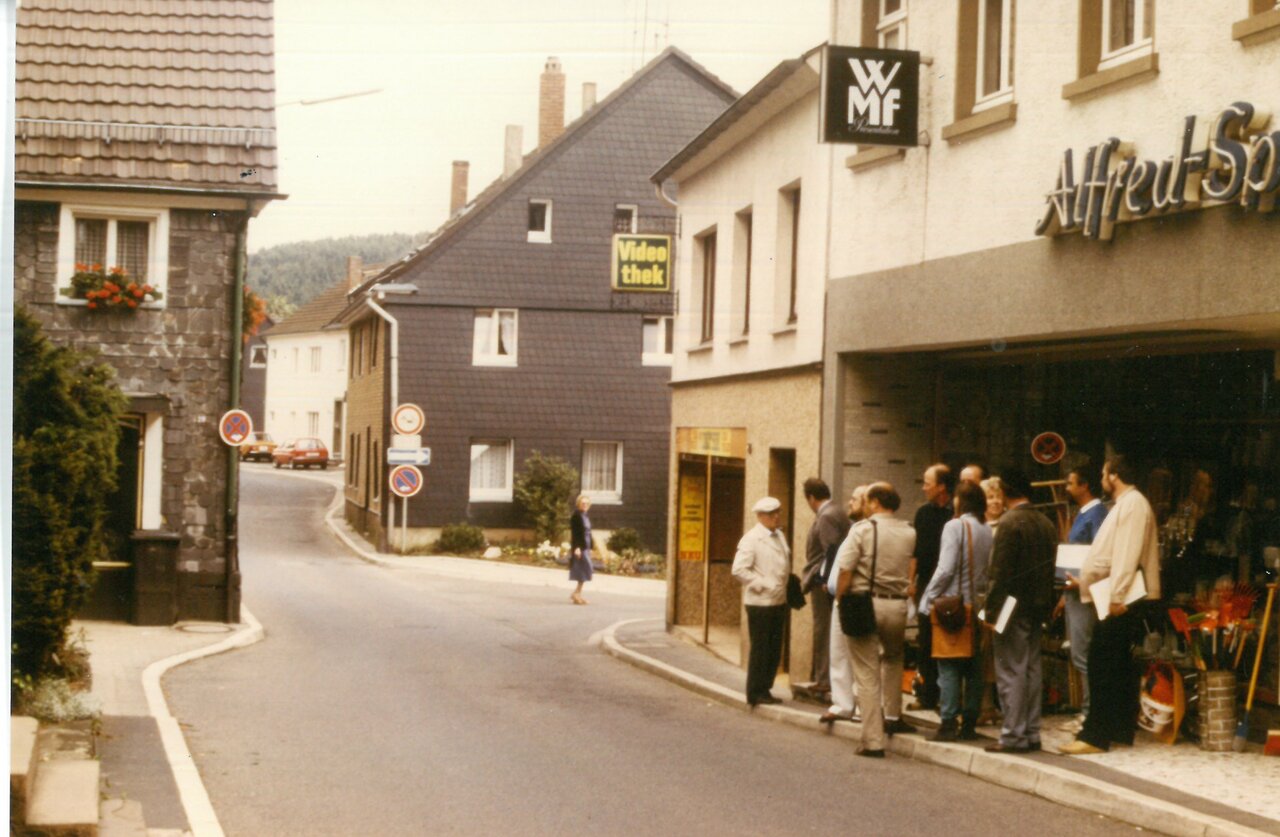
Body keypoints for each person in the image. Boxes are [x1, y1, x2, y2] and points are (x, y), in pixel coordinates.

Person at [1061, 456, 1162, 755]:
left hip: (1121, 599)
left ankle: (1095, 736)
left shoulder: (1132, 504)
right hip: (1115, 595)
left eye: (1105, 473)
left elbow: (1127, 553)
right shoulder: (1127, 504)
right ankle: (1117, 729)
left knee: (1101, 662)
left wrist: (1117, 597)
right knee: (1114, 664)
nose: (1102, 478)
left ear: (1114, 476)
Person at [835, 482, 916, 758]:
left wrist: (840, 598)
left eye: (868, 501)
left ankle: (873, 740)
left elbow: (845, 569)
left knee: (867, 672)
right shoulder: (908, 532)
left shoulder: (863, 530)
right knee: (894, 659)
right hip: (897, 606)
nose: (866, 506)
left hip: (865, 603)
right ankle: (893, 716)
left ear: (876, 503)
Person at [982, 470, 1057, 753]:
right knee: (1031, 669)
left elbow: (998, 572)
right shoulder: (1046, 522)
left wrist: (991, 612)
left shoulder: (1009, 522)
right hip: (1038, 604)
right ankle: (1031, 731)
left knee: (1011, 670)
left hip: (1011, 605)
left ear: (1004, 492)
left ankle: (1013, 734)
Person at [920, 482, 993, 741]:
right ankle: (969, 724)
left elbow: (946, 568)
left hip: (953, 606)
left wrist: (928, 597)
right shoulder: (986, 529)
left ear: (961, 501)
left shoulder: (955, 526)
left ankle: (948, 722)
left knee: (948, 664)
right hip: (979, 606)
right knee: (974, 667)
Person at [1057, 463, 1108, 728]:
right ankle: (1088, 710)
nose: (1066, 488)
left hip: (1082, 589)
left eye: (1070, 483)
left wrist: (1082, 582)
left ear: (1084, 485)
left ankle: (1091, 711)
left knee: (1083, 652)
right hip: (1073, 588)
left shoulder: (1095, 514)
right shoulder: (1084, 513)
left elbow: (1099, 552)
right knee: (1079, 650)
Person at [732, 496, 792, 707]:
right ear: (760, 516)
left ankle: (765, 688)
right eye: (770, 513)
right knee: (761, 647)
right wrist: (763, 583)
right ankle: (754, 692)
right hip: (760, 602)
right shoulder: (752, 539)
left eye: (777, 512)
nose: (776, 516)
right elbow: (739, 569)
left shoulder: (780, 536)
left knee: (774, 648)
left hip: (778, 600)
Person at [800, 477, 853, 700]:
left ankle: (824, 679)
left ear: (811, 498)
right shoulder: (837, 511)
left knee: (823, 629)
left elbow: (830, 551)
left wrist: (824, 581)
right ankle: (826, 677)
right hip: (831, 579)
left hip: (823, 580)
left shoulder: (827, 515)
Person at [908, 464, 955, 711]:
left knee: (946, 641)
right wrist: (911, 582)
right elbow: (915, 552)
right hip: (926, 582)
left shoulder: (955, 513)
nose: (924, 487)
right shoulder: (923, 513)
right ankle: (926, 695)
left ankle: (945, 697)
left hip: (949, 584)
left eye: (928, 482)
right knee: (925, 639)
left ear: (941, 487)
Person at [820, 484, 868, 724]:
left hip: (852, 598)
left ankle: (860, 705)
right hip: (841, 598)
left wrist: (840, 593)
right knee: (838, 653)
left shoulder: (866, 530)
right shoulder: (853, 528)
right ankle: (842, 703)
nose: (850, 503)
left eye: (856, 499)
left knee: (858, 653)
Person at [568, 494, 594, 605]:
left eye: (587, 503)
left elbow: (588, 533)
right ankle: (576, 593)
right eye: (583, 503)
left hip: (586, 546)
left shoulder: (585, 515)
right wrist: (577, 548)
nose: (585, 505)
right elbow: (576, 534)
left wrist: (591, 547)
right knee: (584, 569)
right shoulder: (576, 516)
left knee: (584, 571)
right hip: (580, 547)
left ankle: (577, 593)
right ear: (578, 504)